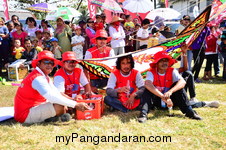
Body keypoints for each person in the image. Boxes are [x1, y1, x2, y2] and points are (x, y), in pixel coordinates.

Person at [14, 50, 90, 124]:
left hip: (32, 108)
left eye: (52, 63)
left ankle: (52, 117)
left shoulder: (43, 76)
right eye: (46, 62)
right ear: (38, 63)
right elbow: (52, 97)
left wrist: (73, 100)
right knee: (60, 105)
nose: (49, 65)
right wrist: (75, 104)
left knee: (62, 103)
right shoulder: (37, 78)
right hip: (25, 115)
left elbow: (56, 93)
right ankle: (54, 117)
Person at [138, 51, 202, 123]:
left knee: (178, 86)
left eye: (166, 61)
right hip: (157, 100)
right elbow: (148, 84)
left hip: (172, 100)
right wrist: (162, 96)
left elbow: (182, 82)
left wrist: (170, 91)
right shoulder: (151, 72)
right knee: (147, 90)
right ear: (156, 63)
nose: (164, 63)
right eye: (161, 61)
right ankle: (143, 114)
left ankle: (189, 112)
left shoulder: (172, 70)